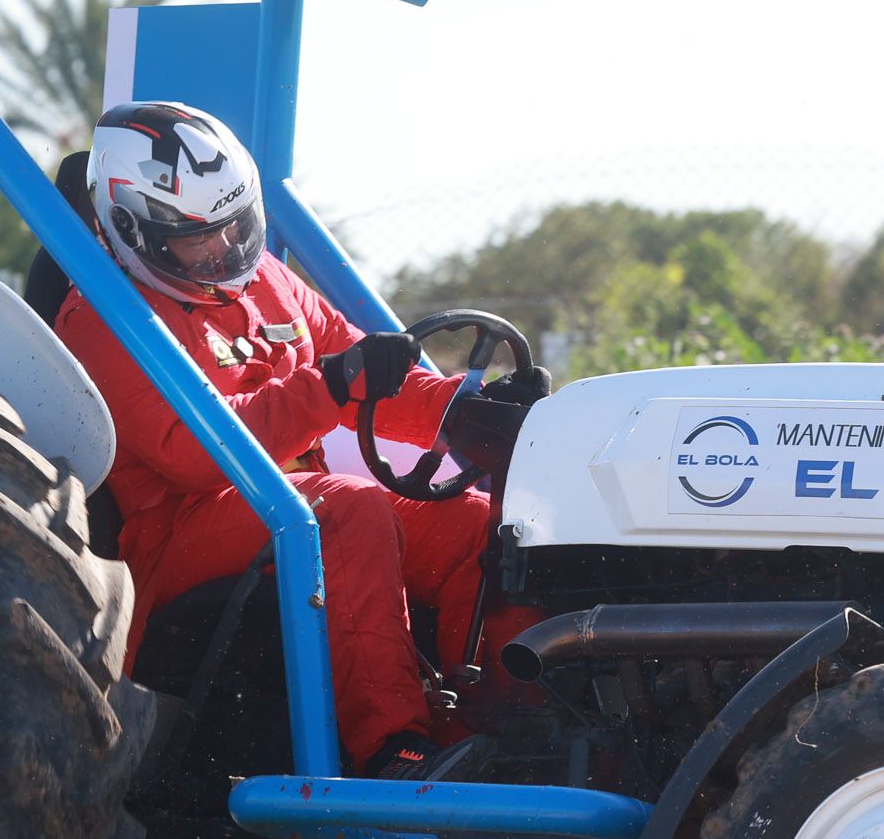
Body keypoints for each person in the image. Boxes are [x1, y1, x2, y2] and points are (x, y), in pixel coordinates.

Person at [53, 101, 538, 779]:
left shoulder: (269, 281)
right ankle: (395, 754)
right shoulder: (102, 316)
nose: (226, 248)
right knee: (343, 510)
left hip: (284, 505)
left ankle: (496, 739)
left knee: (478, 526)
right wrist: (330, 385)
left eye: (236, 225)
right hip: (181, 530)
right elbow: (197, 456)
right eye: (200, 237)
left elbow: (370, 374)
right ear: (135, 230)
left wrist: (467, 411)